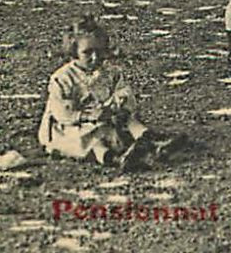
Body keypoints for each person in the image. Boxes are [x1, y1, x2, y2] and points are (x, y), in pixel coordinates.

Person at [39, 18, 175, 169]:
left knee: (127, 120)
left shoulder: (109, 73)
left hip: (104, 120)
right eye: (87, 53)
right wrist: (87, 116)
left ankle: (149, 141)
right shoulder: (63, 78)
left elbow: (123, 91)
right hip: (71, 125)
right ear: (74, 52)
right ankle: (114, 159)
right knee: (91, 142)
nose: (95, 58)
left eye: (99, 51)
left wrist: (117, 105)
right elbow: (61, 111)